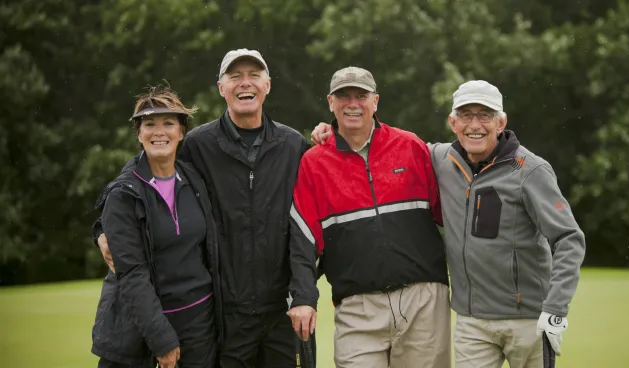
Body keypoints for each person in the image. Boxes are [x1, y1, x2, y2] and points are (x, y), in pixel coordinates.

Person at [311, 80, 586, 368]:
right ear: (452, 122)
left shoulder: (530, 170)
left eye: (485, 115)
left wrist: (555, 308)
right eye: (466, 115)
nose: (474, 124)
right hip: (471, 322)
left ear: (501, 121)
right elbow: (385, 144)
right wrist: (340, 131)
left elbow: (569, 238)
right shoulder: (440, 158)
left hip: (528, 318)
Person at [94, 49, 318, 368]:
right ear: (220, 87)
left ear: (268, 85)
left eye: (254, 75)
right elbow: (146, 167)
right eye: (235, 76)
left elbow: (313, 210)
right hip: (226, 318)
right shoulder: (198, 145)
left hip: (281, 314)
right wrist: (102, 227)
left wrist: (330, 134)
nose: (245, 83)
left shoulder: (293, 144)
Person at [289, 66, 451, 367]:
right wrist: (302, 297)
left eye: (361, 96)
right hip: (356, 308)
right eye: (344, 96)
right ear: (330, 102)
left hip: (423, 303)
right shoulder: (313, 164)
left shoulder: (410, 147)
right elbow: (303, 239)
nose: (353, 103)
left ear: (375, 101)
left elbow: (452, 215)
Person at [90, 85, 218, 368]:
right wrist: (161, 338)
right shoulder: (123, 194)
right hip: (142, 331)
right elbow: (132, 273)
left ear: (181, 132)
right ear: (139, 133)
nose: (159, 132)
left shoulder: (194, 178)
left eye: (168, 123)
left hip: (200, 327)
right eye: (149, 124)